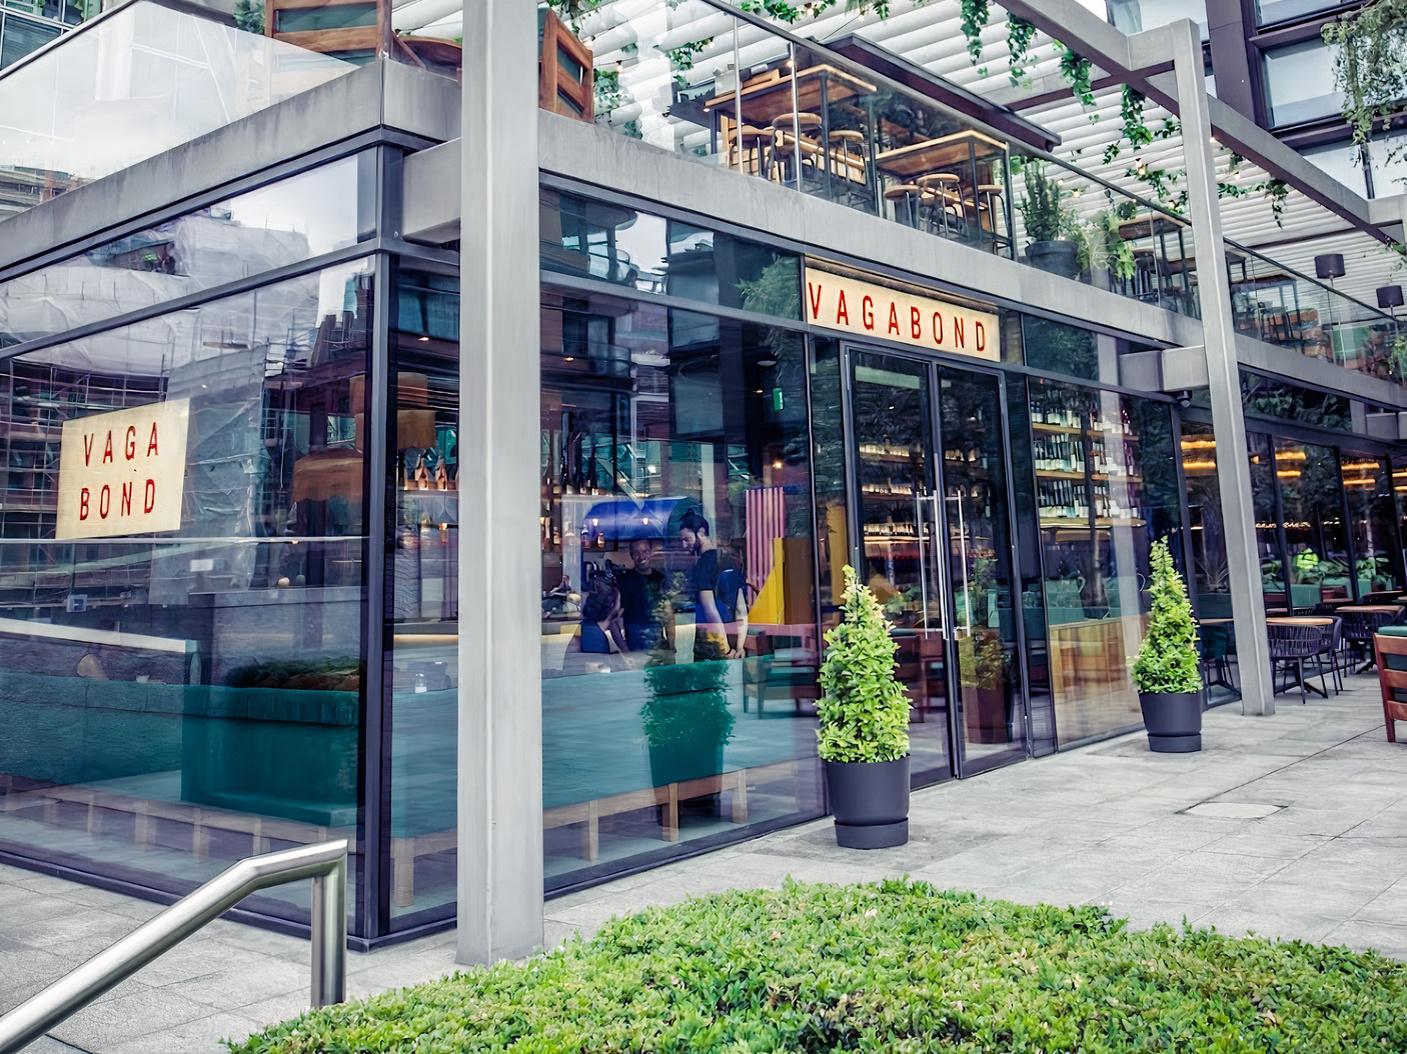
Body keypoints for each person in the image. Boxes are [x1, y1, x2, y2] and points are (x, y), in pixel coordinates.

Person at [679, 511, 748, 660]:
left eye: (687, 539)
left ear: (701, 533)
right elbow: (741, 609)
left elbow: (710, 611)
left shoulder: (703, 565)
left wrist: (725, 650)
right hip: (734, 641)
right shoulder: (729, 559)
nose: (684, 545)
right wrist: (739, 646)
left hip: (713, 645)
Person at [616, 538, 667, 652]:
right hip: (636, 641)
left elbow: (668, 614)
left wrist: (671, 645)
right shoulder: (625, 581)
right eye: (636, 553)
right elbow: (613, 619)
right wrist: (624, 649)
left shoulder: (660, 578)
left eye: (645, 551)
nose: (641, 556)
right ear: (631, 555)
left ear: (651, 552)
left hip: (659, 640)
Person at [579, 572, 628, 655]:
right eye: (620, 601)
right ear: (612, 604)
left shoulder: (588, 626)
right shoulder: (594, 636)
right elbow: (596, 665)